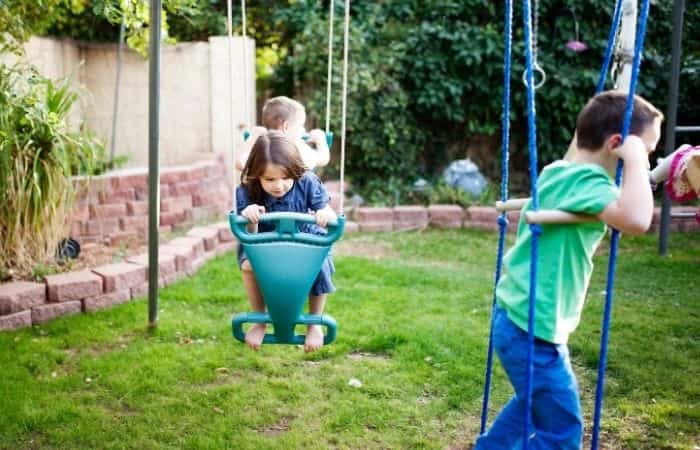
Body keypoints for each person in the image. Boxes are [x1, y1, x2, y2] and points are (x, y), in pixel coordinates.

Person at [476, 90, 663, 449]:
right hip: (534, 332)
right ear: (617, 145)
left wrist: (657, 167)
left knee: (533, 405)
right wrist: (637, 161)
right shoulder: (587, 184)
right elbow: (638, 220)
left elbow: (628, 190)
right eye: (646, 150)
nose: (644, 159)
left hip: (519, 321)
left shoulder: (559, 172)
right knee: (563, 432)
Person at [236, 130, 337, 353]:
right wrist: (249, 214)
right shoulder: (248, 188)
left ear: (295, 171)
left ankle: (314, 323)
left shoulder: (307, 181)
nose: (279, 186)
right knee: (248, 264)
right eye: (270, 179)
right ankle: (260, 320)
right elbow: (247, 233)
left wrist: (325, 214)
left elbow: (326, 209)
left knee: (319, 263)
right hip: (265, 241)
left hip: (306, 239)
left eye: (285, 178)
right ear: (257, 175)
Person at [235, 96, 331, 172]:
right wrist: (321, 140)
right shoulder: (296, 148)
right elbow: (323, 159)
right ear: (286, 126)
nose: (303, 130)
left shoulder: (261, 147)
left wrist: (252, 138)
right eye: (300, 125)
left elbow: (240, 164)